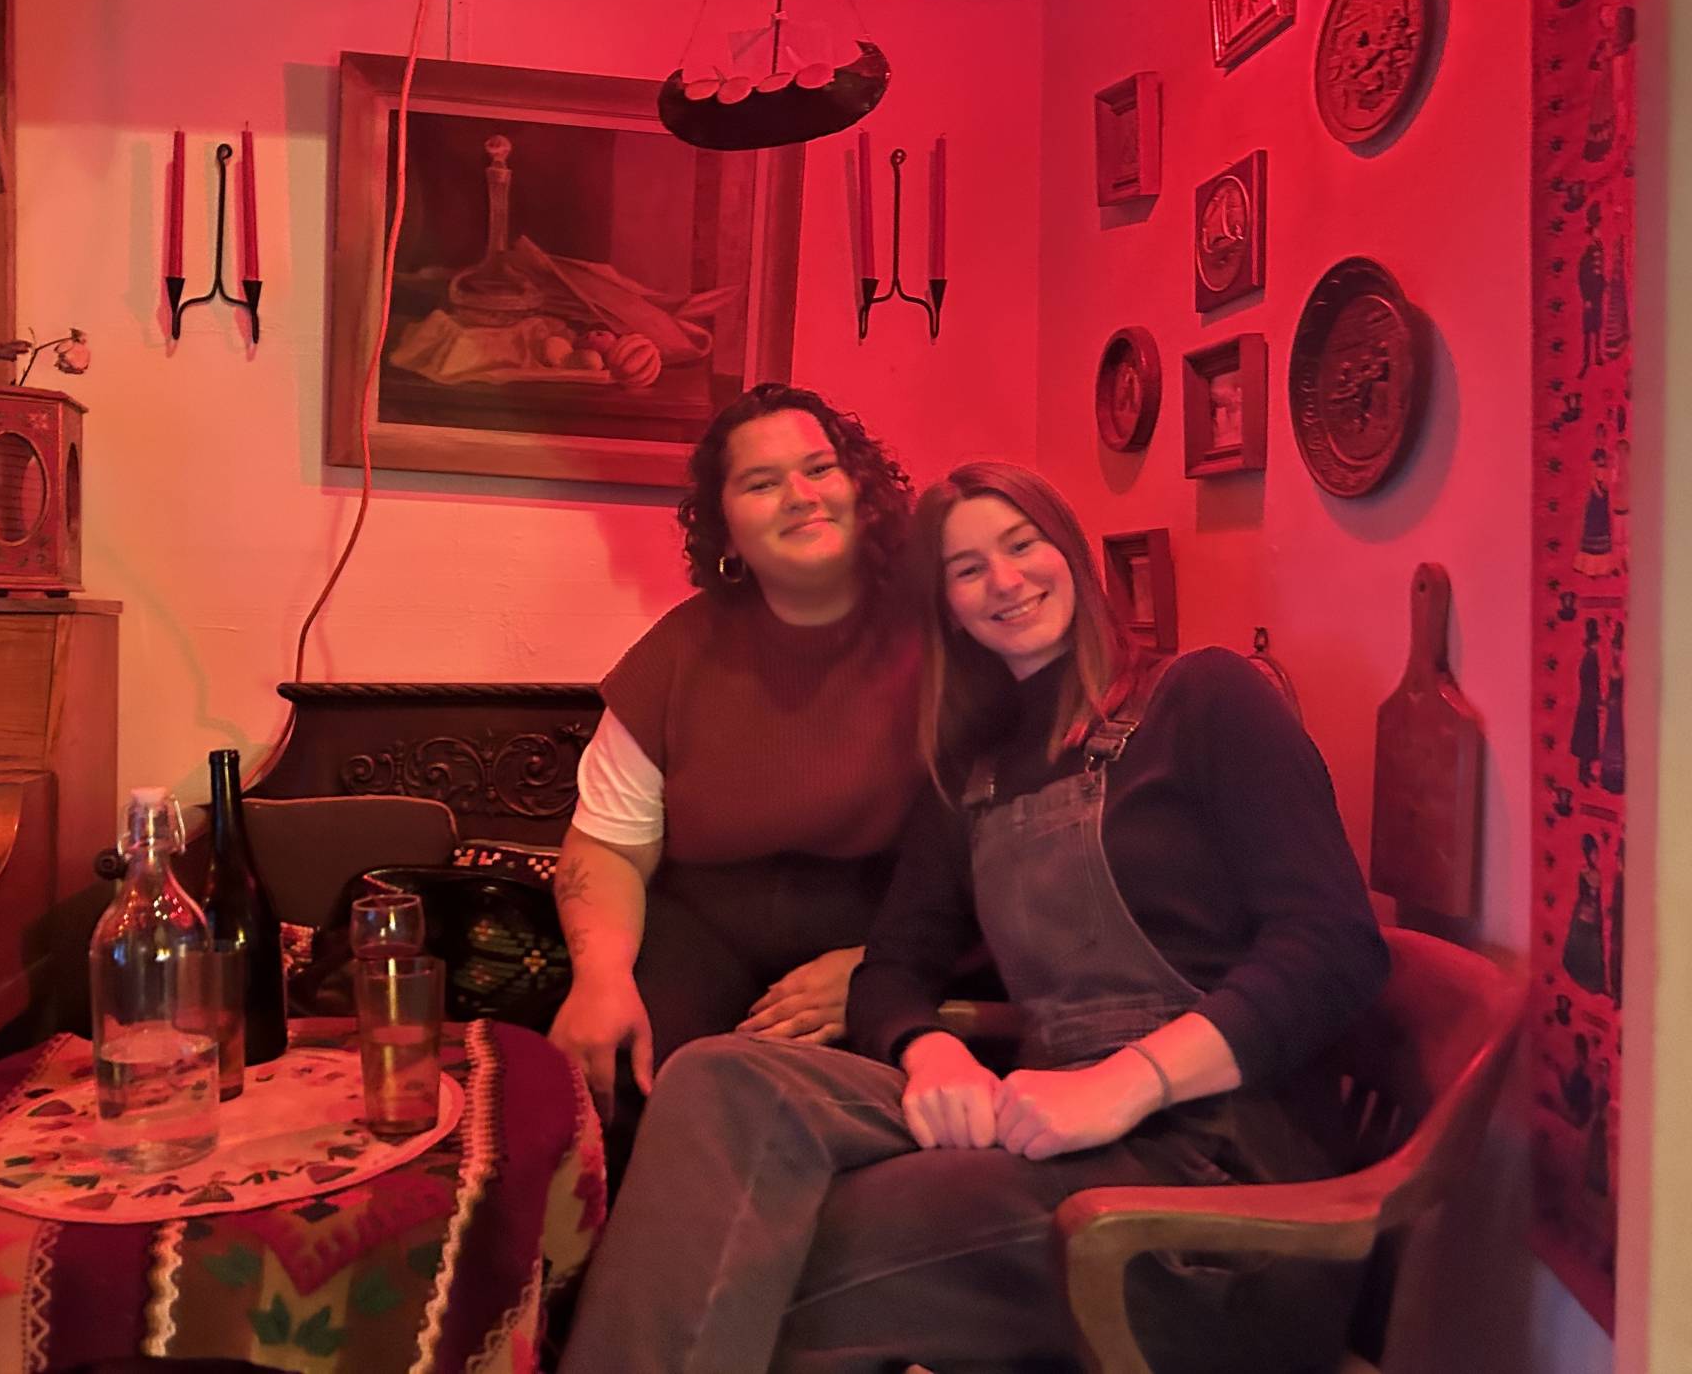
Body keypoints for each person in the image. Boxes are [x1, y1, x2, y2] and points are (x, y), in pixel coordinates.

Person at [560, 461, 1391, 1374]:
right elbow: (892, 968)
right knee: (720, 1075)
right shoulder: (974, 775)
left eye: (1022, 544)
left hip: (1214, 1183)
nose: (1004, 581)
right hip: (1046, 1115)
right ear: (946, 607)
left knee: (761, 1250)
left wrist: (1127, 1083)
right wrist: (930, 1049)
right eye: (966, 569)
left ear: (1069, 550)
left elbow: (1335, 951)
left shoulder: (1205, 697)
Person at [547, 383, 922, 1154]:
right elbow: (608, 847)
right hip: (702, 930)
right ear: (725, 527)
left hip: (889, 930)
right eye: (761, 482)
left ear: (861, 488)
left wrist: (883, 965)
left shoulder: (941, 637)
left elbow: (1006, 851)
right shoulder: (677, 652)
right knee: (635, 1086)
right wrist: (601, 979)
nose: (800, 496)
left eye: (820, 468)